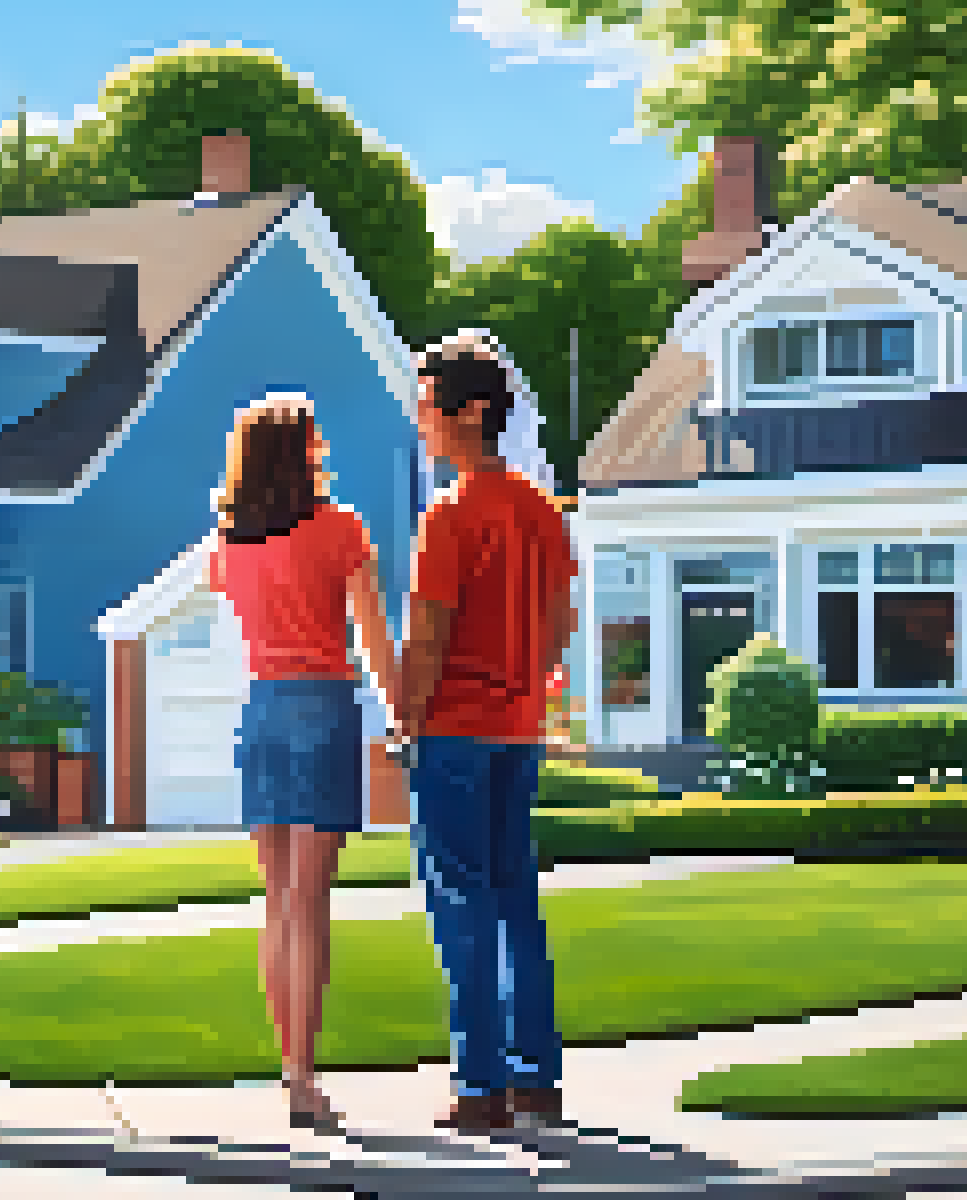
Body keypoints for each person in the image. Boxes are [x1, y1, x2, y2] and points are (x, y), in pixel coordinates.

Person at [396, 334, 578, 1135]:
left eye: (428, 399)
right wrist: (529, 690)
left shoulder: (450, 515)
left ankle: (480, 1086)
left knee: (460, 904)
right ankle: (537, 1079)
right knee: (515, 900)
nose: (420, 415)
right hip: (517, 730)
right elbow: (559, 624)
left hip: (454, 732)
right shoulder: (542, 512)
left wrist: (406, 716)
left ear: (470, 410)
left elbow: (428, 635)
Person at [207, 390, 400, 1133]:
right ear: (304, 453)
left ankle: (289, 1066)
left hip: (261, 711)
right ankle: (302, 1078)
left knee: (277, 903)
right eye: (316, 441)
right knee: (309, 903)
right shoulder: (341, 531)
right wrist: (404, 716)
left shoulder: (227, 543)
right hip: (322, 707)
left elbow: (231, 601)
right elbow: (374, 640)